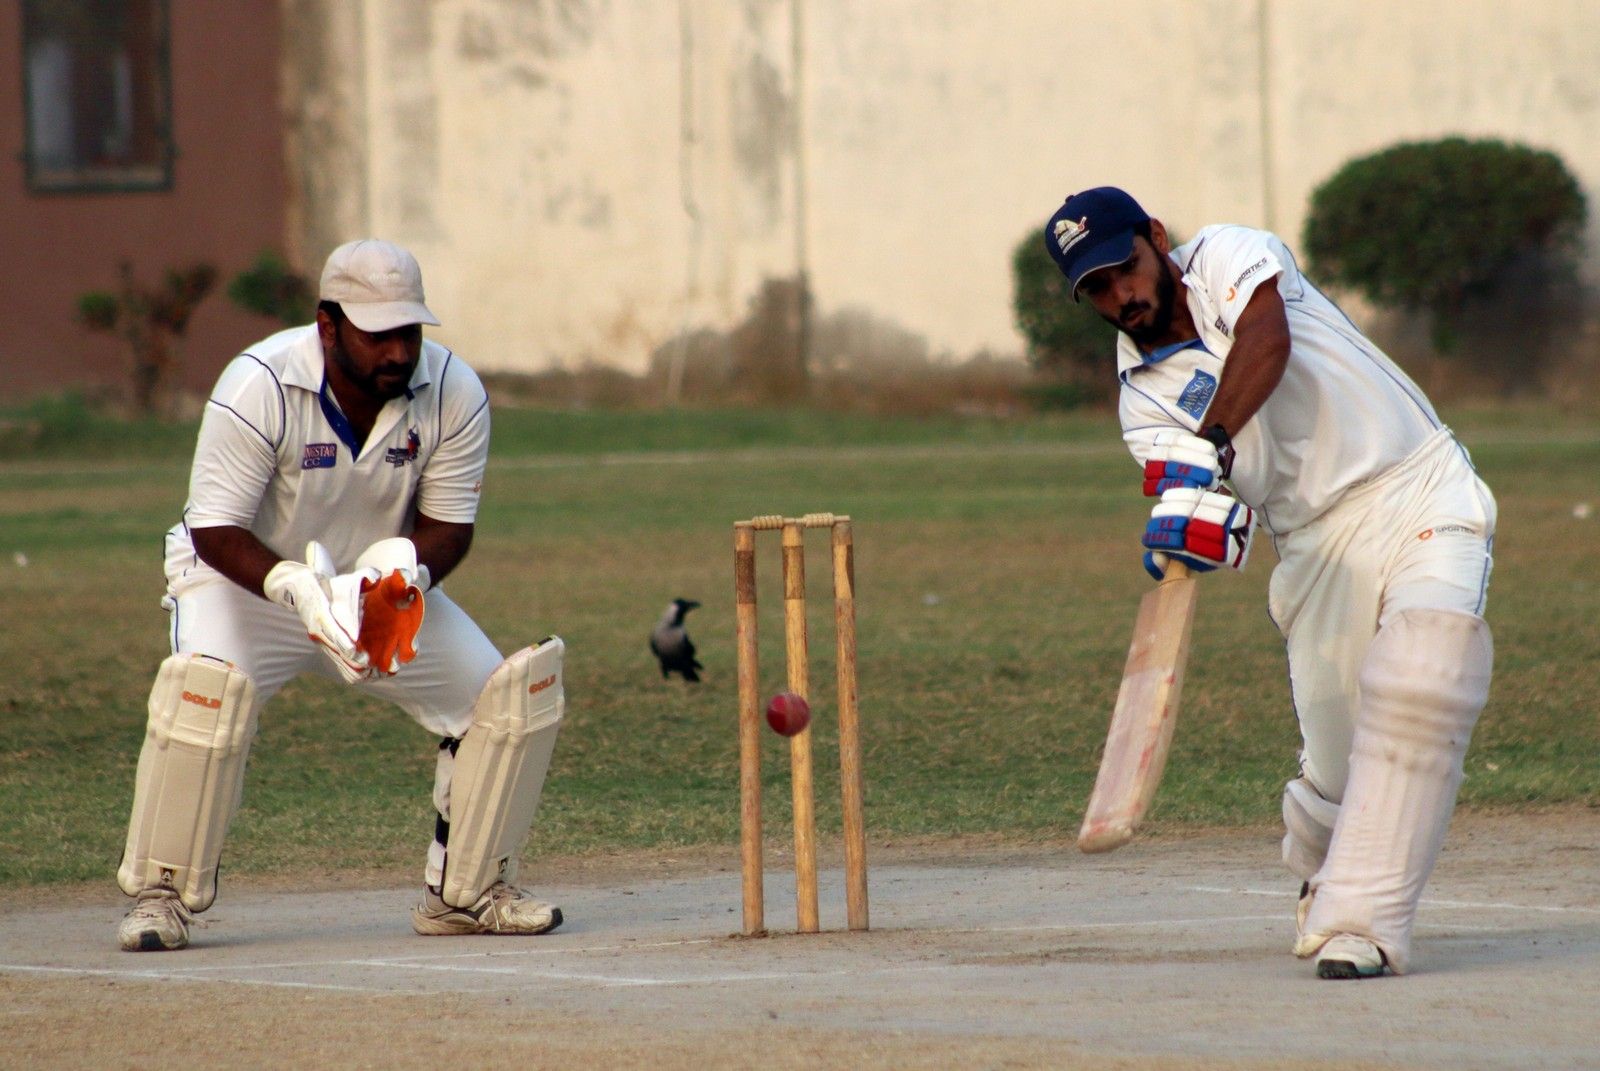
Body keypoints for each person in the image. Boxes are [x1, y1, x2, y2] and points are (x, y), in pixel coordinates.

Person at [1043, 188, 1496, 979]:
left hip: (1419, 483)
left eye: (1126, 268)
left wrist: (1211, 441)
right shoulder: (1142, 403)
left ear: (1157, 239)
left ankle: (1361, 923)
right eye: (1098, 288)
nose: (1121, 295)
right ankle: (1325, 862)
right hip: (1316, 544)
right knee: (1341, 765)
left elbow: (1266, 338)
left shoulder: (1228, 253)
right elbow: (1222, 500)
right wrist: (1196, 523)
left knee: (1425, 672)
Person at [116, 239, 567, 951]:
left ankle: (466, 894)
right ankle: (160, 897)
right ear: (327, 326)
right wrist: (294, 586)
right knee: (205, 697)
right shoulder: (260, 383)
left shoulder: (454, 390)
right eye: (377, 334)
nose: (398, 352)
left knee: (502, 701)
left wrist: (403, 582)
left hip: (372, 591)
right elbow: (214, 526)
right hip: (245, 582)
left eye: (408, 332)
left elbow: (450, 527)